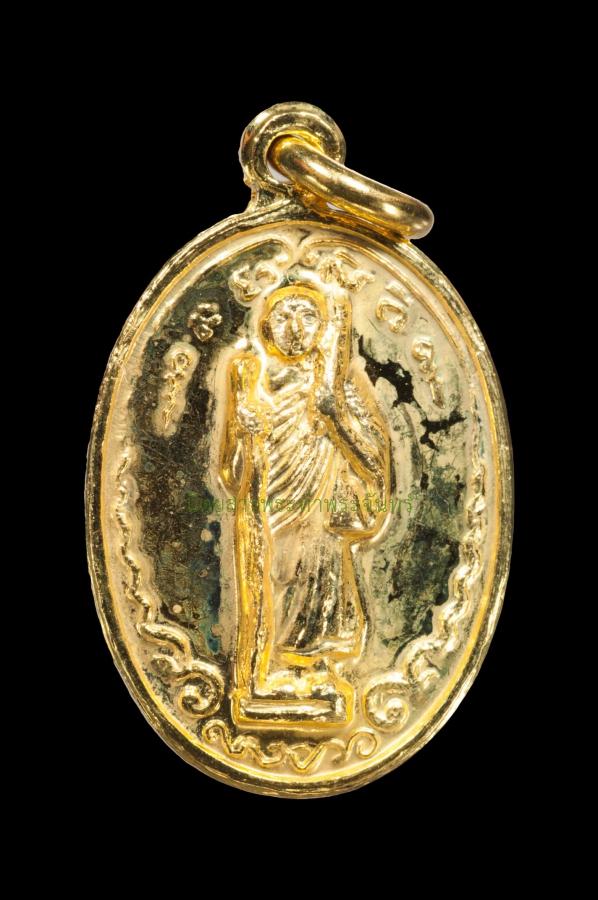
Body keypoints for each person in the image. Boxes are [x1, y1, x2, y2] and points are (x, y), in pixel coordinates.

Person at [221, 284, 389, 725]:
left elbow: (374, 462)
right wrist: (241, 430)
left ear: (324, 329)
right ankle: (264, 674)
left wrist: (335, 416)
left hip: (319, 513)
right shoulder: (251, 386)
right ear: (266, 327)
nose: (295, 328)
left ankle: (314, 674)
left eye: (308, 317)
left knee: (316, 583)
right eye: (283, 317)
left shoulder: (338, 389)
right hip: (267, 513)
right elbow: (231, 475)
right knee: (271, 586)